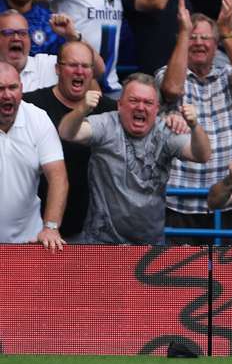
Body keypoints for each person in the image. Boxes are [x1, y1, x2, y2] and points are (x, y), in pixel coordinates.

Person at [57, 73, 212, 244]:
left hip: (149, 243)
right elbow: (67, 132)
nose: (140, 107)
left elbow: (202, 155)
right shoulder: (107, 123)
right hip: (100, 241)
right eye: (133, 100)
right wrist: (81, 109)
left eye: (148, 102)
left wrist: (195, 126)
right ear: (120, 105)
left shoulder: (164, 130)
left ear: (157, 109)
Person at [158, 0, 232, 235]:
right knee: (177, 273)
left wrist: (226, 31)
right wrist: (183, 32)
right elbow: (171, 90)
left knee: (225, 273)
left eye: (206, 38)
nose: (199, 42)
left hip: (225, 199)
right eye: (193, 37)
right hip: (177, 199)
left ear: (216, 44)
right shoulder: (166, 74)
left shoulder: (227, 75)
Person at [23, 41, 117, 240]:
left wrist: (173, 118)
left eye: (85, 66)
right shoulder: (31, 104)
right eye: (72, 65)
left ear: (92, 72)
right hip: (37, 228)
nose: (79, 71)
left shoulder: (110, 109)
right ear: (57, 69)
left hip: (91, 229)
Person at [0, 61, 67, 251]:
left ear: (21, 88)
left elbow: (58, 177)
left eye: (12, 87)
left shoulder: (38, 118)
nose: (7, 95)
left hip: (29, 244)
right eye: (0, 88)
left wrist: (51, 227)